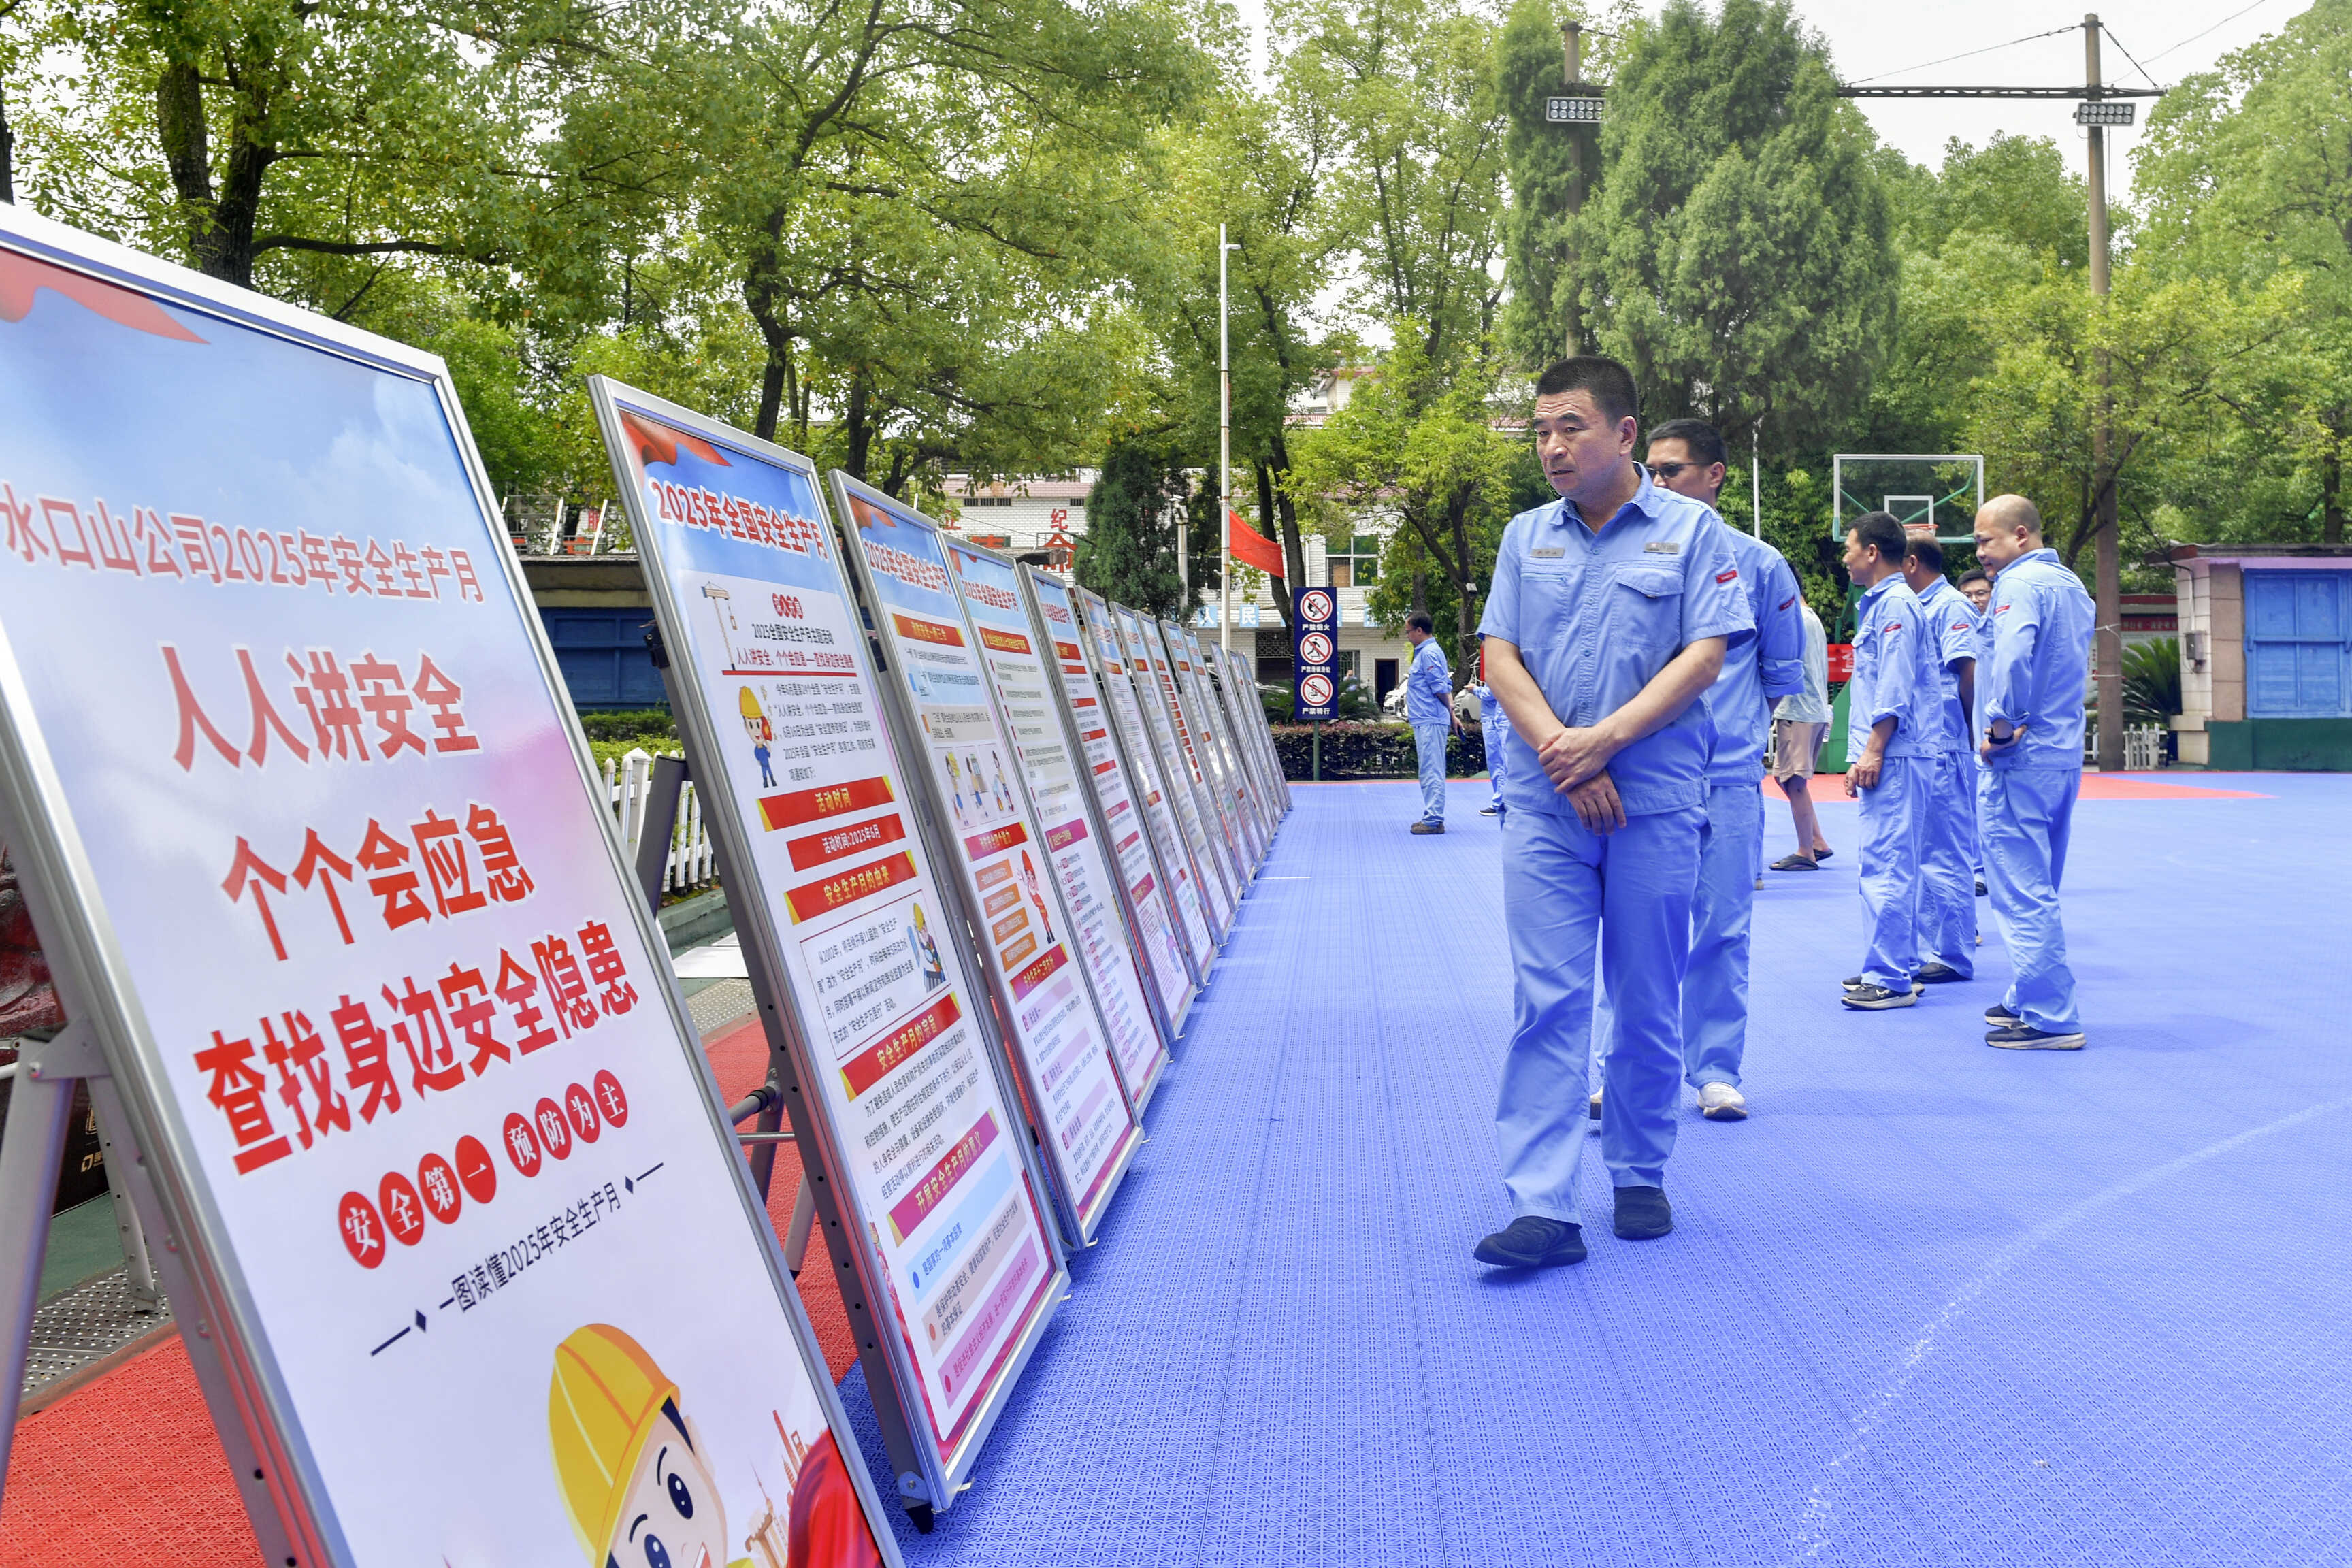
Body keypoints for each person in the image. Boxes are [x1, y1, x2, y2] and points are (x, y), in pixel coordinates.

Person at [1471, 356, 1750, 1270]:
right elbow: (1500, 657)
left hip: (1653, 804)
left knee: (1645, 995)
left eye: (1572, 427)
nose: (1552, 447)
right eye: (1541, 431)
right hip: (1548, 804)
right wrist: (1566, 751)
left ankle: (1637, 1171)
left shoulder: (1693, 532)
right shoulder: (1525, 537)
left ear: (1625, 433)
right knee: (1547, 999)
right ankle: (1543, 1204)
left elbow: (1704, 657)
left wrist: (1606, 741)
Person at [1635, 417, 1804, 1121]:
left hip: (1727, 779)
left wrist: (1730, 736)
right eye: (1650, 471)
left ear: (1715, 476)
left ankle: (1714, 1071)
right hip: (1647, 776)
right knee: (1640, 933)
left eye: (1671, 470)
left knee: (1723, 928)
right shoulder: (1632, 557)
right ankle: (1630, 1069)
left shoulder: (1760, 565)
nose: (1657, 482)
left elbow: (1779, 674)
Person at [1972, 495, 2095, 1049]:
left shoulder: (2018, 585)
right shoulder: (2072, 586)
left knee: (2022, 890)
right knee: (2040, 883)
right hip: (2062, 753)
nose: (1980, 552)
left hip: (2020, 757)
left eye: (1985, 540)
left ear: (2020, 535)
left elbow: (2013, 657)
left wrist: (2002, 726)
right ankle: (2028, 992)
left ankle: (2051, 1015)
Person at [1838, 511, 1938, 1011]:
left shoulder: (1895, 604)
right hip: (1894, 750)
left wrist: (1874, 750)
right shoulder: (1885, 603)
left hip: (1896, 752)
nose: (1845, 558)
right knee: (1892, 861)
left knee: (1887, 864)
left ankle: (1891, 977)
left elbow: (1894, 683)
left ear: (1872, 552)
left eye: (1850, 547)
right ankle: (1899, 962)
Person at [1901, 537, 1980, 985]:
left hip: (1947, 742)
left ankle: (1952, 952)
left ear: (1912, 563)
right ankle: (1933, 945)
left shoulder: (1950, 606)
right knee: (1926, 851)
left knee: (1946, 851)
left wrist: (1966, 731)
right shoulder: (1918, 605)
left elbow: (1967, 671)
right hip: (1928, 742)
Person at [1769, 599, 1835, 870]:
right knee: (1786, 778)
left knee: (1794, 782)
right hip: (1812, 708)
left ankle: (1806, 851)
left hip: (1798, 709)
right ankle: (1816, 842)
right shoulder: (1812, 618)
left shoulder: (1794, 619)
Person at [1957, 568, 1994, 898]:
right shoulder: (1958, 633)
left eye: (1980, 593)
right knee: (1971, 807)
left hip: (2001, 735)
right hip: (1967, 738)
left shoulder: (2005, 631)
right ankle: (1977, 871)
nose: (1974, 600)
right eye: (1967, 595)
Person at [1403, 610, 1455, 834]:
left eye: (1408, 632)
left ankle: (1433, 820)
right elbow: (1444, 686)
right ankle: (1433, 816)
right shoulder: (1426, 653)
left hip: (1431, 720)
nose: (1407, 636)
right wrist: (1452, 714)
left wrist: (1450, 713)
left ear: (1419, 630)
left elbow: (1441, 688)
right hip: (1427, 719)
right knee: (1428, 770)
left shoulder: (1429, 653)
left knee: (1432, 770)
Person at [1473, 636, 1511, 819]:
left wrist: (1475, 690)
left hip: (1503, 715)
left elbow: (1493, 690)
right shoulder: (1490, 655)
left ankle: (1504, 802)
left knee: (1503, 760)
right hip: (1495, 714)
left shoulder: (1500, 656)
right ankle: (1501, 802)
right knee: (1497, 760)